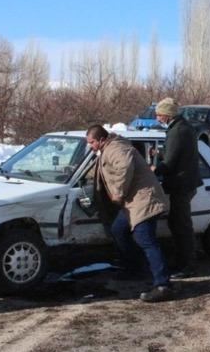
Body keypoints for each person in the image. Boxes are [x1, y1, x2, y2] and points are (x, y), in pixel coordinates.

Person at [86, 124, 174, 303]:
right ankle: (134, 269)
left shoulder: (116, 148)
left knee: (145, 239)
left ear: (101, 139)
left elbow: (125, 167)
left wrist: (118, 192)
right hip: (133, 202)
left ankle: (163, 285)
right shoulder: (108, 148)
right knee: (119, 230)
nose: (90, 145)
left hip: (144, 200)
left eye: (92, 142)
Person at [152, 97, 201, 280]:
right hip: (184, 183)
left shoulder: (177, 131)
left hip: (182, 184)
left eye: (159, 114)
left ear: (167, 114)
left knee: (181, 226)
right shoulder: (182, 127)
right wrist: (161, 153)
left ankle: (188, 265)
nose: (157, 118)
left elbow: (170, 163)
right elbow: (176, 153)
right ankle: (182, 261)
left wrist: (155, 169)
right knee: (177, 223)